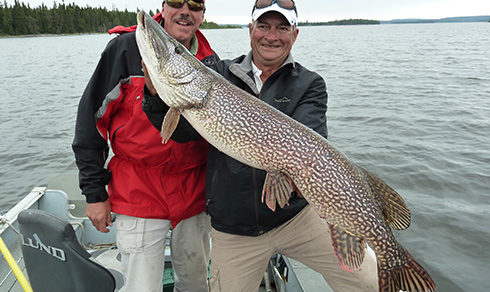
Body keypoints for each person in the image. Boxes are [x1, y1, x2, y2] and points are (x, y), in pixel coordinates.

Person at [144, 1, 379, 292]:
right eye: (264, 26)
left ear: (295, 34)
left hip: (297, 218)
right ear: (251, 29)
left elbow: (306, 145)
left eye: (282, 28)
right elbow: (180, 133)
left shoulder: (309, 84)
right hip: (235, 228)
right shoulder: (218, 73)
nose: (272, 36)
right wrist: (155, 95)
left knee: (371, 283)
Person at [72, 1, 218, 291]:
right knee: (141, 286)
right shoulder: (125, 50)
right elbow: (91, 123)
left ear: (203, 15)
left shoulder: (210, 60)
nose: (185, 11)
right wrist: (94, 193)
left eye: (195, 5)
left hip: (193, 193)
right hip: (139, 189)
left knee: (196, 284)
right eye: (177, 2)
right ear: (163, 7)